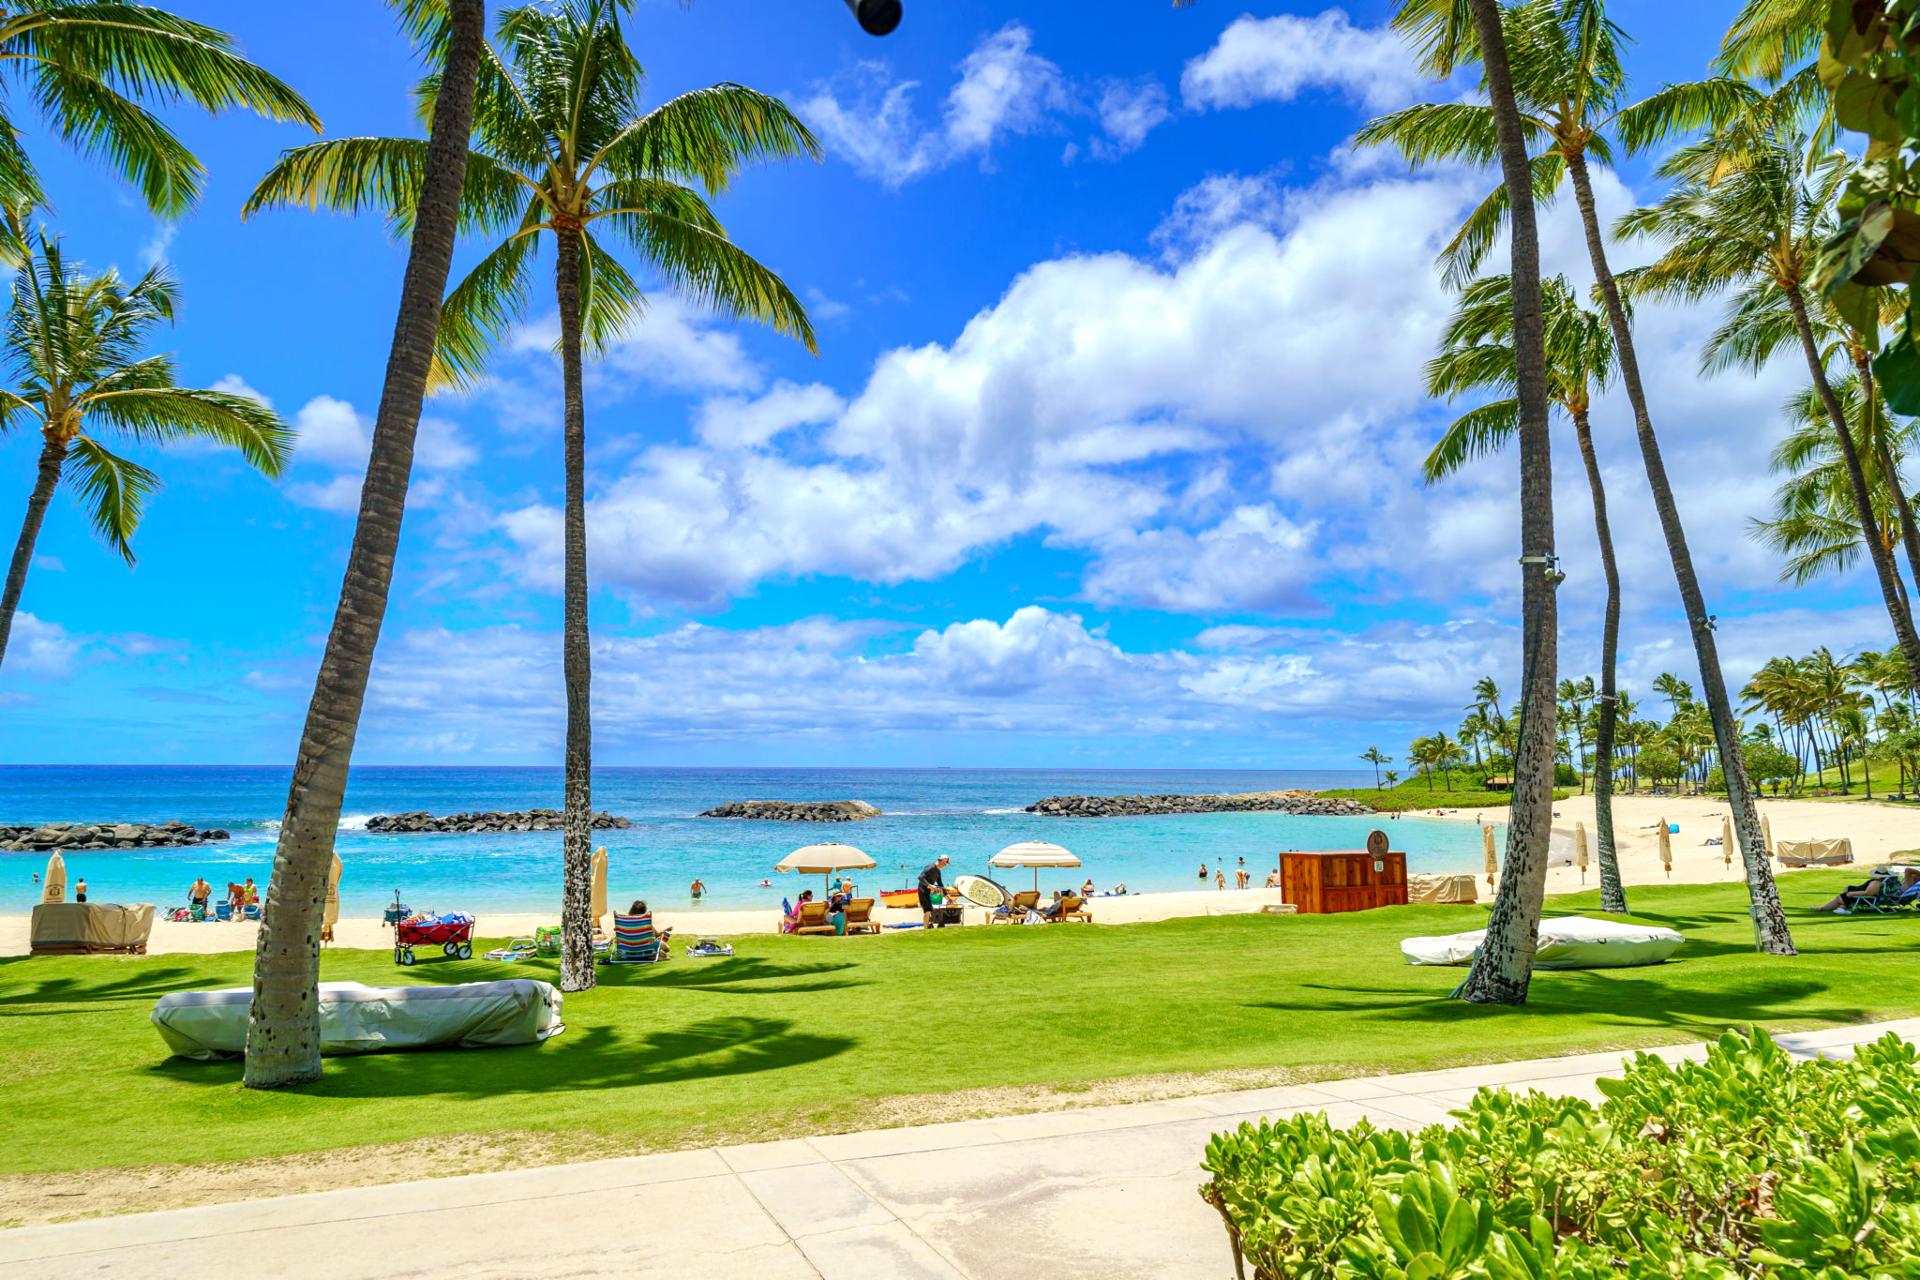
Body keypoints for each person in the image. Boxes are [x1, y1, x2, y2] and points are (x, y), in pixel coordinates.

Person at [1817, 868, 1919, 913]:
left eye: (1916, 876)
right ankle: (1843, 907)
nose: (1913, 875)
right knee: (1848, 888)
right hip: (1888, 896)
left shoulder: (1909, 885)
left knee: (1842, 897)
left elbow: (1907, 870)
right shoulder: (1906, 885)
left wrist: (1851, 894)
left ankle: (1822, 908)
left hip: (1872, 897)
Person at [918, 854, 950, 925]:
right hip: (922, 891)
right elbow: (920, 877)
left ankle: (930, 926)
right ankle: (925, 930)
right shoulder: (931, 867)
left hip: (929, 892)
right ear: (942, 861)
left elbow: (940, 884)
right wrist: (929, 885)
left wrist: (946, 894)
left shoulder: (938, 871)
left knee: (931, 910)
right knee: (927, 911)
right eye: (945, 863)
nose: (945, 865)